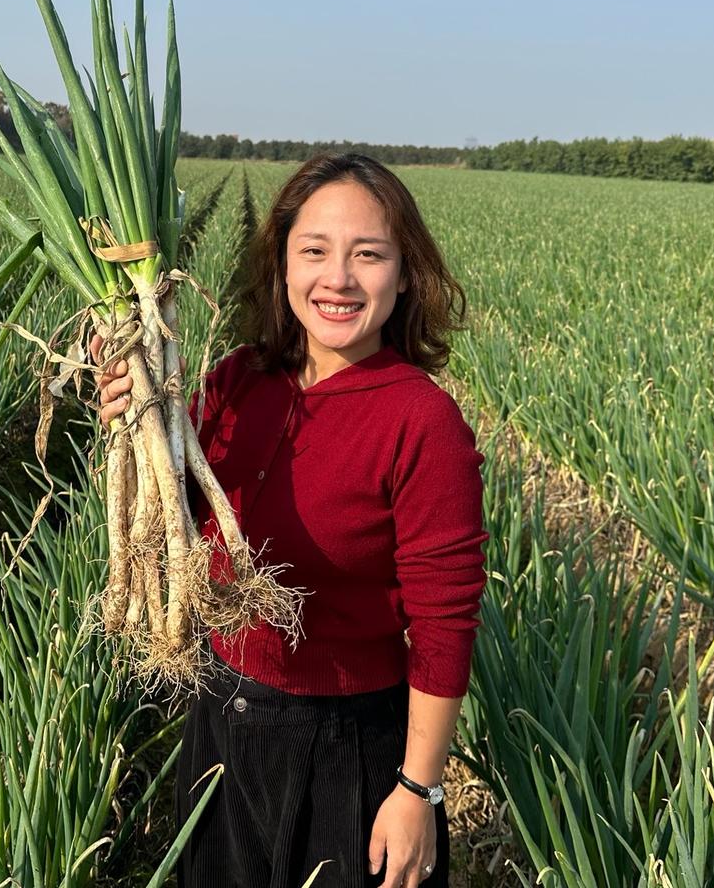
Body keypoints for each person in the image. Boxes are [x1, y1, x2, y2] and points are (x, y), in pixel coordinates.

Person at [93, 152, 487, 888]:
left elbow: (445, 623)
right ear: (281, 266)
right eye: (314, 251)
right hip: (221, 716)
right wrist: (132, 404)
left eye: (368, 255)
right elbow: (178, 499)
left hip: (347, 747)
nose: (337, 278)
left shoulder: (421, 420)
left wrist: (417, 792)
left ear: (406, 275)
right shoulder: (239, 377)